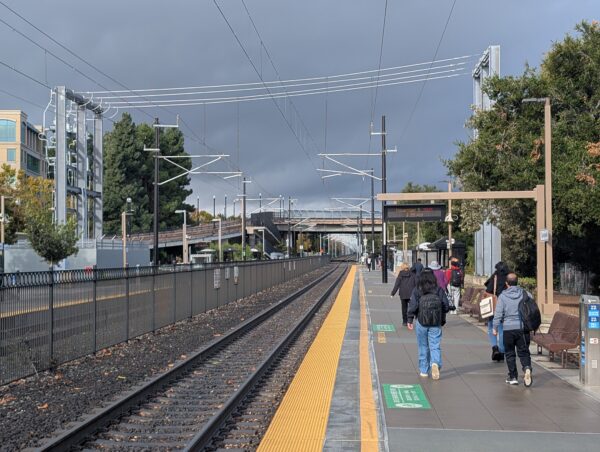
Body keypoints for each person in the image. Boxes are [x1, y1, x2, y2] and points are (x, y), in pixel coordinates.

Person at [407, 269, 450, 380]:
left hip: (421, 322)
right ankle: (435, 363)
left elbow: (413, 306)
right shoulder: (439, 290)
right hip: (435, 323)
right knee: (434, 345)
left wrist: (410, 319)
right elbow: (446, 305)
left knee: (423, 346)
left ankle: (424, 371)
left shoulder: (417, 290)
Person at [493, 273, 533, 387]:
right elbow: (532, 303)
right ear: (517, 282)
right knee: (524, 352)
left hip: (508, 329)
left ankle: (513, 377)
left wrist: (495, 328)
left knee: (510, 353)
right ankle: (527, 368)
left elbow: (498, 313)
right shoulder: (525, 293)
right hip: (522, 328)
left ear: (506, 283)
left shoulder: (503, 296)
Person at [484, 261, 510, 362]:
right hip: (506, 307)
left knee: (492, 327)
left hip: (494, 307)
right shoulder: (509, 277)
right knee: (502, 329)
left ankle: (495, 348)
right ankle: (502, 350)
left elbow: (488, 290)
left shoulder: (495, 277)